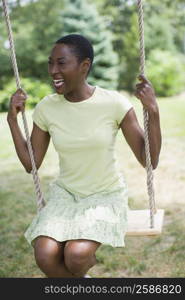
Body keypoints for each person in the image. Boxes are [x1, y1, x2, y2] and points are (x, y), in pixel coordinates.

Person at [7, 34, 161, 278]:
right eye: (50, 63)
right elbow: (31, 164)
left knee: (76, 255)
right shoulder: (47, 107)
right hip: (66, 195)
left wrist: (152, 111)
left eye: (61, 63)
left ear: (84, 66)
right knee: (45, 254)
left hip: (105, 196)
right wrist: (12, 120)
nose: (53, 71)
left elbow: (148, 159)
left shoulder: (113, 103)